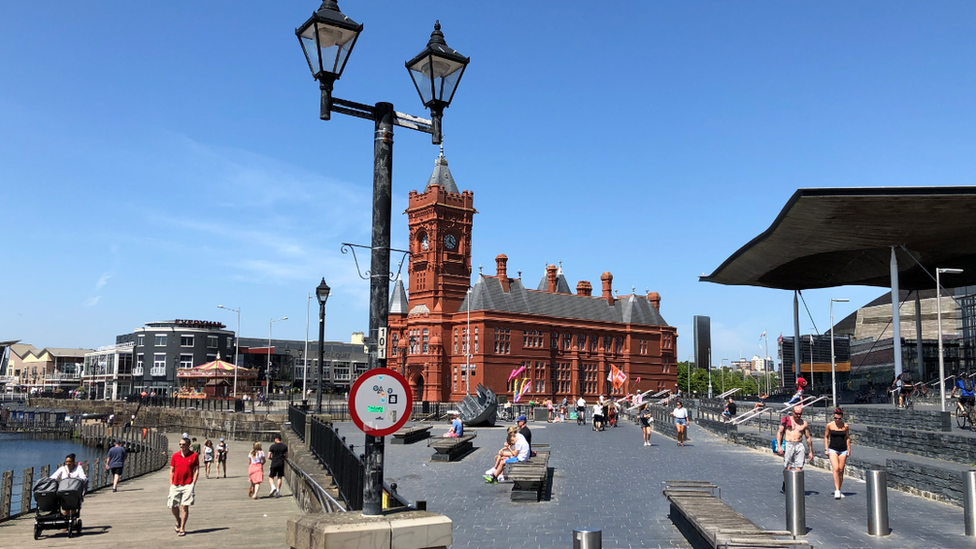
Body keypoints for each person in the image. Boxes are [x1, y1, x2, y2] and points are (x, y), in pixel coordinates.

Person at [776, 405, 814, 492]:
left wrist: (811, 451)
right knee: (788, 467)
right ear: (793, 412)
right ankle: (786, 482)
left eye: (800, 414)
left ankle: (796, 486)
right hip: (789, 444)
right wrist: (779, 446)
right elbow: (780, 432)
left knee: (799, 466)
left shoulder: (804, 423)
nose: (798, 415)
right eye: (796, 414)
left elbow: (808, 437)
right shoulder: (787, 421)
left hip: (799, 444)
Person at [169, 437, 199, 536]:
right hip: (176, 484)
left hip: (188, 484)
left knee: (185, 506)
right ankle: (178, 519)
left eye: (183, 444)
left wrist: (193, 483)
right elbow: (171, 470)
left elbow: (197, 470)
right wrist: (171, 484)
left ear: (188, 445)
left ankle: (182, 527)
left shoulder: (194, 455)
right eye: (180, 444)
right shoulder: (175, 456)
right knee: (173, 505)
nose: (181, 446)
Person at [824, 407, 851, 499]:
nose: (837, 420)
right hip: (833, 449)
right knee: (836, 468)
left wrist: (849, 449)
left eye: (839, 418)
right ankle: (837, 490)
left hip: (843, 449)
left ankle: (839, 488)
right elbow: (826, 437)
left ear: (842, 418)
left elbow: (847, 438)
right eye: (835, 418)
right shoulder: (830, 425)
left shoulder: (845, 426)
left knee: (841, 469)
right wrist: (826, 448)